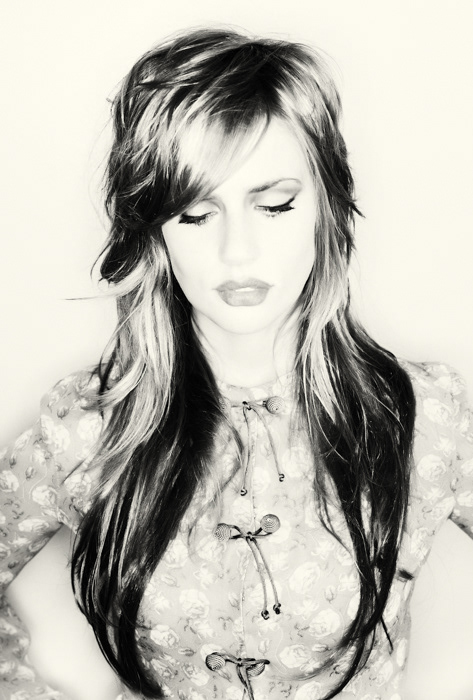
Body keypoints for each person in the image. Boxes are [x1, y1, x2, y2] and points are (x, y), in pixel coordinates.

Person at [1, 26, 472, 700]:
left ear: (326, 209)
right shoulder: (87, 431)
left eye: (274, 205)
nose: (237, 251)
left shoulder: (422, 418)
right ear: (156, 232)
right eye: (195, 214)